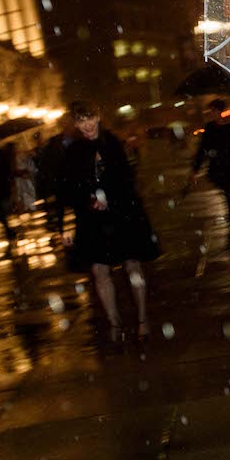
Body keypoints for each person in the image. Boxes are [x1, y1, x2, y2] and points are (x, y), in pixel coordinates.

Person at [60, 100, 159, 344]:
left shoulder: (113, 142)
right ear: (76, 124)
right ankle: (114, 323)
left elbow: (127, 178)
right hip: (93, 219)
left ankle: (142, 319)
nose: (87, 125)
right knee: (99, 270)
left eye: (90, 118)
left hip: (122, 214)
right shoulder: (73, 151)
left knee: (132, 265)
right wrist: (89, 200)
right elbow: (70, 187)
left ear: (98, 117)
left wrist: (111, 197)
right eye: (81, 121)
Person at [188, 99, 230, 238]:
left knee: (228, 193)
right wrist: (195, 169)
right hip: (218, 167)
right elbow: (202, 149)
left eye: (213, 111)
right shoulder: (210, 128)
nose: (211, 113)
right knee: (226, 193)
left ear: (219, 111)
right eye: (211, 111)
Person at [36, 115, 77, 235]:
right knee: (60, 207)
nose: (68, 126)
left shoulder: (78, 139)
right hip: (61, 181)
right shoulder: (55, 142)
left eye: (70, 123)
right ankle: (60, 228)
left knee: (78, 207)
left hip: (76, 180)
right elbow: (47, 162)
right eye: (66, 123)